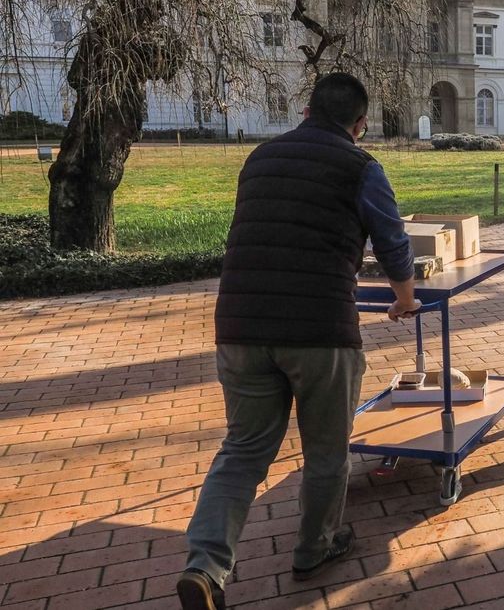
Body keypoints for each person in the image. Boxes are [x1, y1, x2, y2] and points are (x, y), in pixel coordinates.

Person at [176, 73, 422, 610]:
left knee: (242, 451)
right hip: (319, 329)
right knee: (326, 450)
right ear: (359, 125)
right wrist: (404, 298)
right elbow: (393, 241)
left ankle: (206, 565)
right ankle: (316, 547)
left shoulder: (259, 158)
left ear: (306, 110)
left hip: (240, 325)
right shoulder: (361, 166)